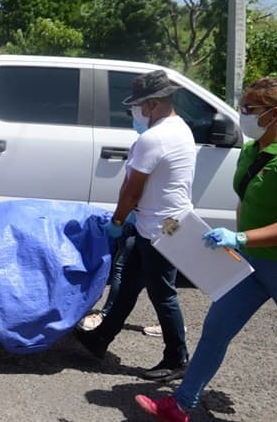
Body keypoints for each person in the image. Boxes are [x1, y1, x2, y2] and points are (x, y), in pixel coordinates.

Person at [135, 78, 277, 422]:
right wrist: (236, 238)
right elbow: (246, 200)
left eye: (249, 109)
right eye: (242, 107)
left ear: (274, 114)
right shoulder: (252, 150)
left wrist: (243, 239)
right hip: (252, 265)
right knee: (215, 330)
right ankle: (181, 405)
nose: (242, 115)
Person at [74, 69, 194, 382]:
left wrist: (117, 221)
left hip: (157, 227)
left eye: (138, 106)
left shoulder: (152, 138)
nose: (135, 112)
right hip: (170, 221)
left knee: (162, 292)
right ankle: (100, 338)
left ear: (153, 104)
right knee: (128, 283)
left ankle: (177, 357)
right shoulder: (180, 128)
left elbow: (131, 189)